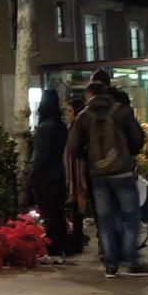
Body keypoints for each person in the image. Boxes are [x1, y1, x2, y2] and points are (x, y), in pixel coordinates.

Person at [67, 81, 148, 278]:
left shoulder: (83, 116)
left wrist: (90, 159)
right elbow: (138, 138)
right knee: (130, 217)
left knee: (105, 220)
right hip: (122, 173)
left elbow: (73, 145)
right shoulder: (121, 111)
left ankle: (111, 265)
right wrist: (126, 155)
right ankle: (132, 262)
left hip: (99, 176)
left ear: (90, 95)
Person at [29, 89, 68, 264]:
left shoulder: (45, 128)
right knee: (58, 214)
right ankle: (60, 250)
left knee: (49, 215)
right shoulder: (60, 125)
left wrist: (32, 175)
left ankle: (53, 251)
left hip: (45, 177)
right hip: (58, 173)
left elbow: (40, 155)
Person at [65, 98, 88, 255]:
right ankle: (77, 237)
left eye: (70, 111)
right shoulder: (69, 127)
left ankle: (78, 239)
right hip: (72, 172)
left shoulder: (80, 128)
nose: (68, 114)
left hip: (80, 171)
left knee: (79, 205)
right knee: (75, 208)